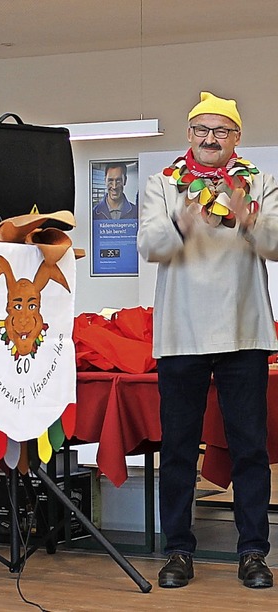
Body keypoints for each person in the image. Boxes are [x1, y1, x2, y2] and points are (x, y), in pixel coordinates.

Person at [138, 91, 278, 589]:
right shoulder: (163, 184)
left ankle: (253, 551)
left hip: (245, 330)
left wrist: (247, 217)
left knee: (249, 448)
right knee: (178, 447)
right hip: (181, 333)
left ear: (237, 137)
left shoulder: (259, 182)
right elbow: (150, 246)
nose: (210, 139)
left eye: (221, 131)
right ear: (189, 135)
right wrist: (182, 220)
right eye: (202, 130)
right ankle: (177, 550)